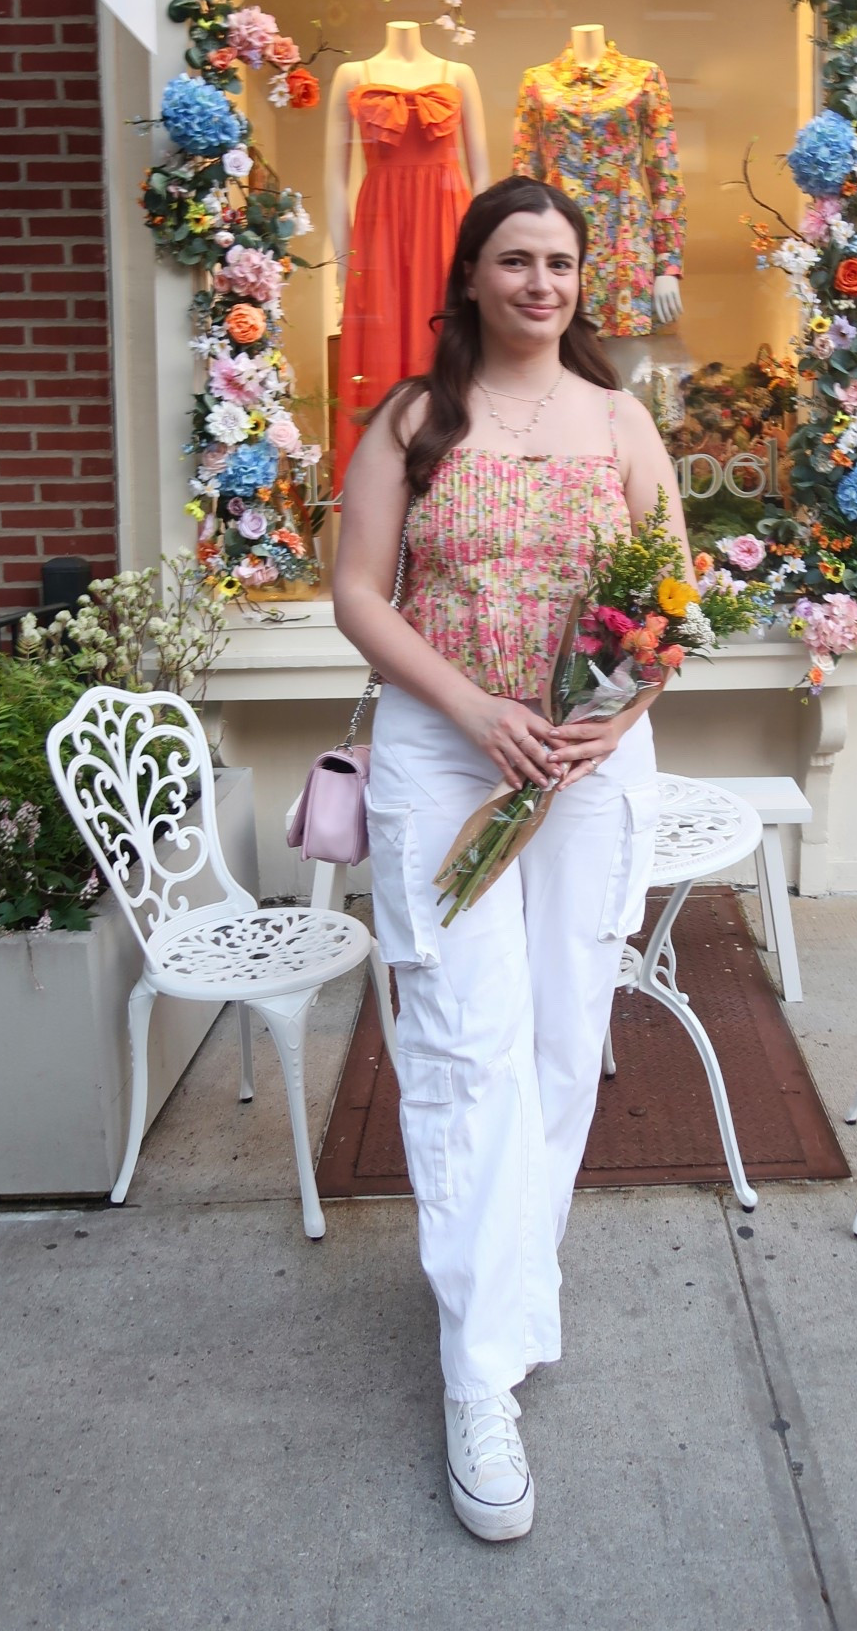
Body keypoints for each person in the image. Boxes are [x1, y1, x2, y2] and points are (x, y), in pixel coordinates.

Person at [334, 173, 692, 1542]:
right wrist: (475, 708)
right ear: (471, 275)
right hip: (444, 756)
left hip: (588, 765)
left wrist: (616, 713)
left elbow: (672, 597)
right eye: (514, 260)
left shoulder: (618, 419)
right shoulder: (415, 418)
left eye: (558, 262)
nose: (540, 283)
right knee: (459, 1046)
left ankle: (506, 1286)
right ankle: (477, 1372)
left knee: (555, 1039)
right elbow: (358, 591)